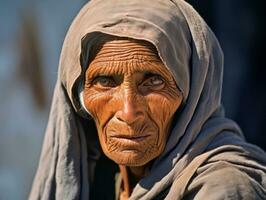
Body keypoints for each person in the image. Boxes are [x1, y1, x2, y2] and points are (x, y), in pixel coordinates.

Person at [29, 0, 266, 199]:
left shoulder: (222, 188)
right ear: (78, 97)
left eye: (153, 81)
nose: (129, 112)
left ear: (193, 91)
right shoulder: (128, 183)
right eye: (104, 81)